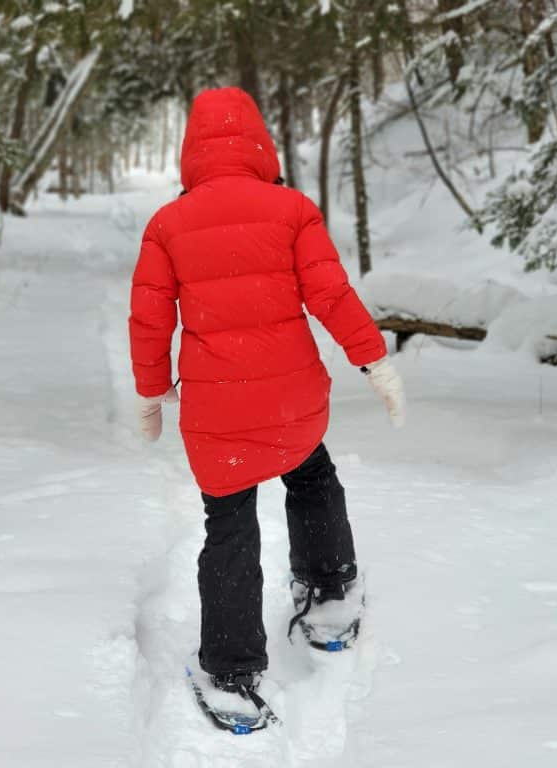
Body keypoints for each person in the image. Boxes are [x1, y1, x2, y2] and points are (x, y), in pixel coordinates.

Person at [128, 87, 405, 709]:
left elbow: (149, 321)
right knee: (312, 477)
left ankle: (230, 675)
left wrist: (151, 392)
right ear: (260, 144)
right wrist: (373, 360)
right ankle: (331, 596)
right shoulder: (292, 209)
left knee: (229, 524)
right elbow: (332, 296)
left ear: (190, 153)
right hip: (292, 400)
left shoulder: (168, 225)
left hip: (217, 411)